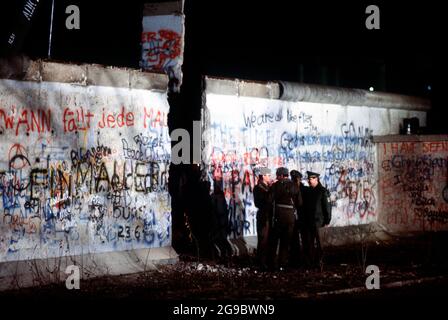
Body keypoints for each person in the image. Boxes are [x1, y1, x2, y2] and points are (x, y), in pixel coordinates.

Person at [268, 167, 302, 270]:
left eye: (278, 175)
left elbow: (269, 200)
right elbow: (300, 203)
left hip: (279, 216)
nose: (277, 177)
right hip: (290, 217)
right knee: (285, 241)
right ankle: (282, 264)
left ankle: (272, 264)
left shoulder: (275, 186)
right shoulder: (295, 186)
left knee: (274, 241)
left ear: (281, 176)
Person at [301, 171, 331, 269]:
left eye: (310, 179)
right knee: (309, 244)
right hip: (309, 222)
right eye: (308, 179)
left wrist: (327, 220)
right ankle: (311, 263)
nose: (309, 181)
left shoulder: (323, 191)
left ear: (316, 179)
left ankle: (320, 263)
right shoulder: (308, 191)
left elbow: (327, 207)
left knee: (320, 244)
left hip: (319, 222)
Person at [253, 167, 272, 270]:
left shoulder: (267, 187)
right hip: (263, 216)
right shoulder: (258, 188)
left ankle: (266, 261)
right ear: (263, 176)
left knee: (267, 240)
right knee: (263, 240)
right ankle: (261, 262)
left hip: (268, 216)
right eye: (268, 175)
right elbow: (260, 202)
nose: (269, 177)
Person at [289, 170, 306, 268]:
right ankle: (295, 259)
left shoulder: (303, 189)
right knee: (294, 239)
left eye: (296, 179)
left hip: (302, 216)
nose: (295, 181)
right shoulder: (291, 188)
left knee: (304, 239)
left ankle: (303, 259)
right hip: (293, 217)